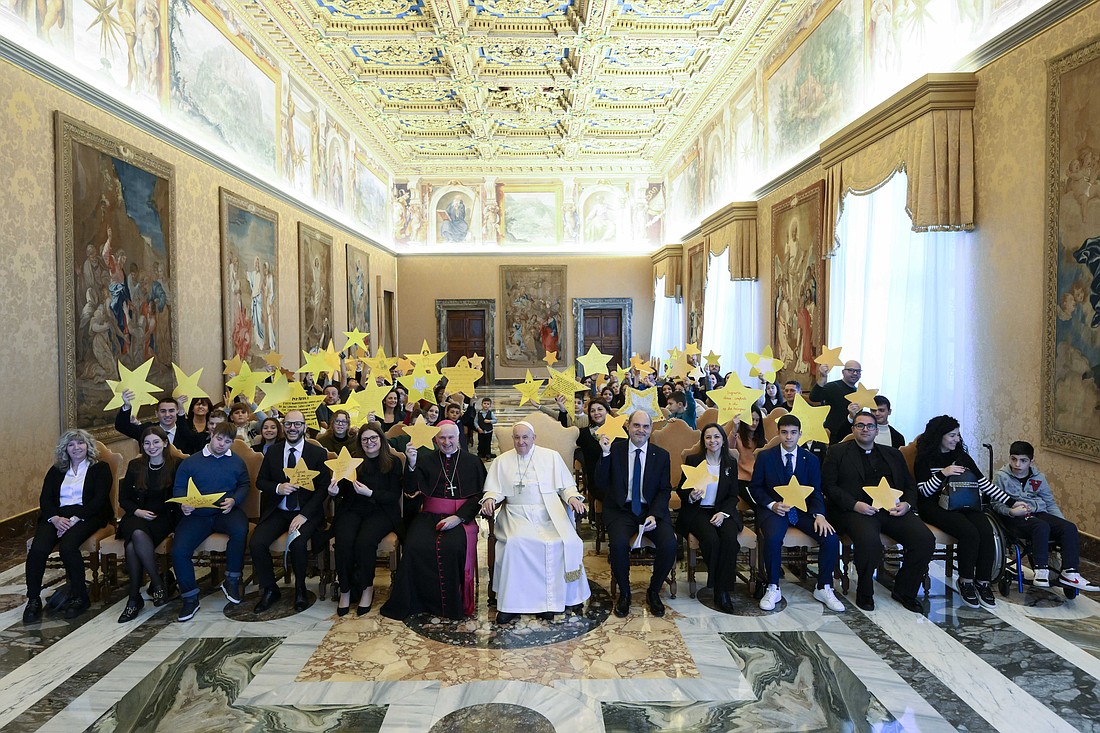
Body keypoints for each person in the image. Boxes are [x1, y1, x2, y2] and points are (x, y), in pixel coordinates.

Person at [822, 412, 933, 612]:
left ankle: (905, 590)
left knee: (924, 539)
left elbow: (909, 485)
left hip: (892, 509)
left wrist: (907, 504)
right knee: (869, 542)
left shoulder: (893, 454)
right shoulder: (837, 452)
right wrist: (855, 504)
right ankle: (865, 592)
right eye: (860, 425)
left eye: (870, 426)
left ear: (876, 430)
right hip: (857, 510)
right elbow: (829, 486)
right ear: (853, 429)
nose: (865, 429)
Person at [480, 422, 589, 623]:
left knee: (557, 542)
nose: (521, 442)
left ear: (534, 438)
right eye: (517, 438)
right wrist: (489, 499)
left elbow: (566, 487)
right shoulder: (502, 461)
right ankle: (510, 605)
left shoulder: (551, 457)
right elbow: (494, 490)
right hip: (515, 514)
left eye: (525, 437)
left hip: (549, 513)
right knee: (514, 544)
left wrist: (573, 498)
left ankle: (548, 603)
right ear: (512, 439)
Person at [380, 421, 486, 620]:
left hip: (461, 518)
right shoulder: (426, 460)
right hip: (429, 515)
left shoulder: (473, 462)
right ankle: (418, 602)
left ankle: (451, 605)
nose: (447, 442)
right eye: (442, 438)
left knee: (453, 546)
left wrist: (459, 517)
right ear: (435, 439)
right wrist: (411, 464)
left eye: (451, 437)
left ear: (458, 438)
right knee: (414, 545)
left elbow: (478, 495)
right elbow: (410, 491)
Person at [914, 415, 1022, 609]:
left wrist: (1013, 502)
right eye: (952, 435)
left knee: (986, 531)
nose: (957, 439)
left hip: (963, 502)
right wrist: (943, 473)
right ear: (939, 436)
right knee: (968, 532)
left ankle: (983, 582)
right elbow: (924, 491)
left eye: (958, 435)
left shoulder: (962, 456)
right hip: (933, 506)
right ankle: (965, 581)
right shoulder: (924, 457)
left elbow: (984, 485)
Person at [749, 415, 844, 612]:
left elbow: (817, 491)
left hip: (803, 511)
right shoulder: (766, 457)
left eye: (793, 433)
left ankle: (824, 586)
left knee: (831, 537)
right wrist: (772, 504)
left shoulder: (810, 459)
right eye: (784, 432)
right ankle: (773, 586)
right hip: (775, 511)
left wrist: (819, 514)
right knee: (773, 538)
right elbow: (756, 488)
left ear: (800, 434)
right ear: (778, 433)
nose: (788, 437)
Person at [23, 429, 113, 624]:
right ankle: (33, 599)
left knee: (68, 547)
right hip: (57, 516)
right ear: (65, 449)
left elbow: (98, 501)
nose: (76, 448)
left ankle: (80, 597)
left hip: (88, 515)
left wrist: (73, 520)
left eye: (80, 443)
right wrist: (55, 519)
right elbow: (45, 499)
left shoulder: (100, 468)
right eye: (71, 444)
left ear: (88, 446)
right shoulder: (56, 470)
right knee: (38, 549)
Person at [595, 410, 676, 618]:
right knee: (619, 544)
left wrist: (655, 515)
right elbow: (600, 484)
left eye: (645, 426)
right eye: (636, 425)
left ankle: (653, 591)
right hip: (622, 511)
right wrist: (604, 454)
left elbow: (664, 490)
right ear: (628, 426)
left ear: (651, 429)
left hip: (651, 512)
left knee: (669, 544)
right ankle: (625, 592)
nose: (641, 430)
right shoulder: (613, 450)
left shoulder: (662, 455)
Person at [250, 410, 331, 613]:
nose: (292, 428)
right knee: (257, 542)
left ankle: (301, 589)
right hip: (278, 510)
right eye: (288, 424)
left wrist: (304, 515)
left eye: (297, 424)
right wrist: (278, 488)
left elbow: (323, 488)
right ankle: (270, 589)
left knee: (298, 543)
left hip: (306, 513)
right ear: (283, 426)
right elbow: (261, 481)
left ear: (304, 426)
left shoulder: (317, 454)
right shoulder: (274, 452)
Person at [170, 422, 251, 622]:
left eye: (228, 441)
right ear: (211, 435)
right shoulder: (190, 462)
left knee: (241, 530)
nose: (222, 444)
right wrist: (184, 504)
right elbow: (179, 487)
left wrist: (235, 500)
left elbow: (244, 484)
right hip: (197, 514)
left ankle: (231, 579)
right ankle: (190, 598)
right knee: (179, 550)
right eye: (219, 439)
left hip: (226, 511)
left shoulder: (237, 462)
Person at [992, 441, 1098, 591]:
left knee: (1069, 527)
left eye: (1023, 460)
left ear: (1031, 461)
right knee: (1041, 526)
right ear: (1009, 458)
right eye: (1013, 459)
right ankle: (1041, 569)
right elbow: (995, 504)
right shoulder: (1001, 477)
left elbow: (1050, 503)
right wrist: (1011, 511)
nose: (1017, 464)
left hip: (1038, 513)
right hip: (1014, 518)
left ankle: (1070, 572)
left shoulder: (1039, 477)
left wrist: (1060, 523)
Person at [329, 422, 403, 616]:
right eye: (365, 439)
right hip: (353, 509)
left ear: (381, 439)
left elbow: (393, 496)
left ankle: (366, 588)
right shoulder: (353, 462)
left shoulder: (393, 462)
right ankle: (345, 589)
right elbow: (343, 491)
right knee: (343, 542)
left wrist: (370, 493)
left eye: (373, 438)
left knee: (365, 542)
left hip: (381, 511)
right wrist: (335, 492)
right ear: (360, 443)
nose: (369, 442)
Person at [676, 424, 742, 613]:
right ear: (703, 441)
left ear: (722, 440)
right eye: (708, 437)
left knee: (729, 539)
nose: (712, 441)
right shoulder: (693, 460)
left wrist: (723, 514)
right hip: (698, 511)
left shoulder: (730, 463)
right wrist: (690, 496)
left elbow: (733, 496)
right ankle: (720, 589)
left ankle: (722, 590)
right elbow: (681, 489)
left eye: (716, 437)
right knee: (712, 540)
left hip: (722, 511)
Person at [116, 426, 179, 622]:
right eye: (147, 443)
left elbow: (181, 497)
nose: (151, 447)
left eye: (155, 442)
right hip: (136, 515)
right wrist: (138, 511)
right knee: (136, 533)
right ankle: (158, 583)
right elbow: (124, 499)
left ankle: (134, 598)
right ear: (142, 445)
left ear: (165, 443)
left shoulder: (176, 464)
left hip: (163, 518)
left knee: (133, 545)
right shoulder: (136, 465)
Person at [115, 390, 203, 454]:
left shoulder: (185, 431)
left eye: (171, 411)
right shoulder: (148, 430)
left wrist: (181, 413)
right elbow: (122, 426)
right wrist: (127, 406)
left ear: (177, 411)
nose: (167, 414)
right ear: (157, 414)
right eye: (163, 411)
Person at [809, 360, 863, 443]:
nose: (855, 373)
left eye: (858, 371)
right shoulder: (833, 386)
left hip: (852, 435)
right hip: (832, 435)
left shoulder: (859, 392)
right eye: (851, 370)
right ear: (843, 372)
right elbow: (814, 397)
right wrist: (822, 377)